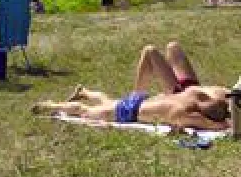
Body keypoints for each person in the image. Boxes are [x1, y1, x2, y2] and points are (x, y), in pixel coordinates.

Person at [31, 42, 230, 130]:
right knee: (84, 111)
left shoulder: (194, 96)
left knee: (107, 103)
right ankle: (50, 106)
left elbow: (213, 117)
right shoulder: (182, 112)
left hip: (139, 103)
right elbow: (214, 125)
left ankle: (84, 92)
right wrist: (226, 125)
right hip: (132, 109)